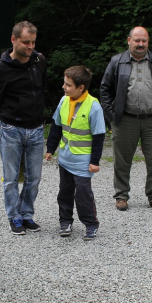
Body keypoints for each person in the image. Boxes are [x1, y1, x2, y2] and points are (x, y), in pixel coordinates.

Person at [100, 26, 152, 212]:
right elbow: (105, 90)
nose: (141, 44)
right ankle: (121, 196)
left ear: (148, 41)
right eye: (137, 40)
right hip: (125, 119)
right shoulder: (117, 62)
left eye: (144, 41)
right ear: (129, 40)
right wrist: (111, 115)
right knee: (122, 160)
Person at [0, 21, 47, 235]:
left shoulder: (39, 61)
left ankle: (27, 214)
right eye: (25, 42)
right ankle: (14, 217)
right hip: (12, 129)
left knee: (34, 177)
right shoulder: (0, 69)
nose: (30, 47)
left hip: (37, 128)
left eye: (33, 42)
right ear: (13, 40)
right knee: (11, 177)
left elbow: (41, 89)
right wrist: (8, 121)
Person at [45, 65, 106, 241]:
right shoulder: (64, 101)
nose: (64, 87)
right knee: (64, 192)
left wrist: (95, 162)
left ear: (81, 88)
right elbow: (57, 127)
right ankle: (65, 221)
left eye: (68, 85)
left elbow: (99, 136)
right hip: (65, 158)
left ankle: (91, 224)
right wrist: (51, 148)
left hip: (82, 161)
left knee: (83, 194)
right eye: (64, 83)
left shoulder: (93, 106)